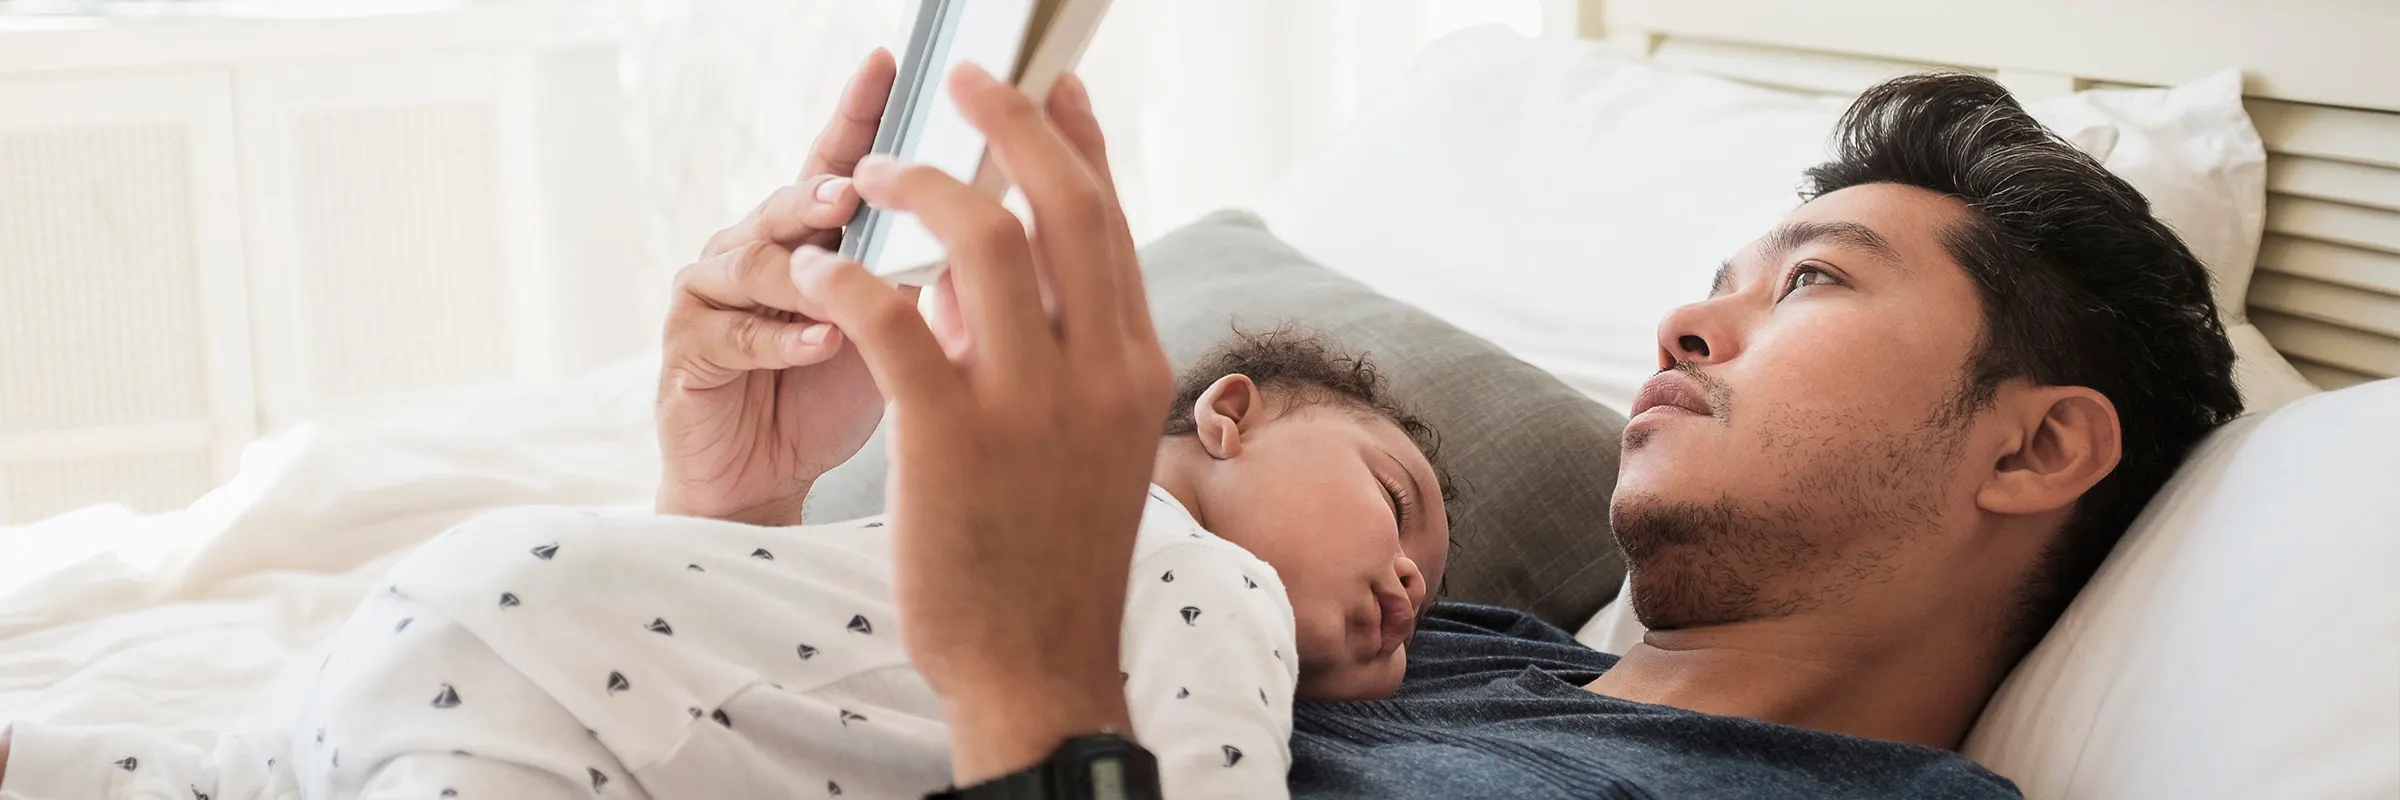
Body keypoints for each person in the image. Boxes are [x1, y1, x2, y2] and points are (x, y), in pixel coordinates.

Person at [629, 53, 2237, 798]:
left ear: (2034, 449)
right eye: (1715, 282)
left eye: (1811, 285)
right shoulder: (1435, 639)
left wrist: (1033, 676)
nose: (1685, 325)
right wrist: (736, 510)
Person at [0, 327, 1453, 798]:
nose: (1412, 585)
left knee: (232, 777)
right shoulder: (1199, 570)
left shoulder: (960, 523)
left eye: (1430, 595)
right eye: (1400, 506)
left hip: (475, 611)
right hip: (556, 711)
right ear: (1231, 413)